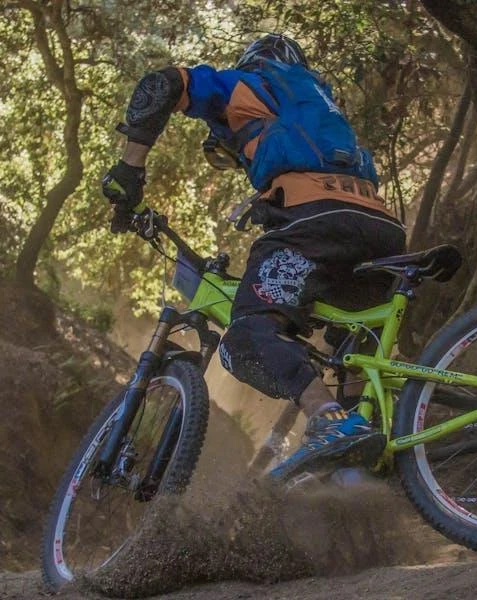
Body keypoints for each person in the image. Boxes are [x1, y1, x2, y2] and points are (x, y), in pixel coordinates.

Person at [101, 34, 406, 480]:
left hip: (315, 223)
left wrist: (129, 171)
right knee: (351, 349)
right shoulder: (322, 106)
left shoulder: (253, 82)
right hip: (380, 229)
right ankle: (371, 459)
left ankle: (327, 419)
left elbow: (162, 84)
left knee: (248, 332)